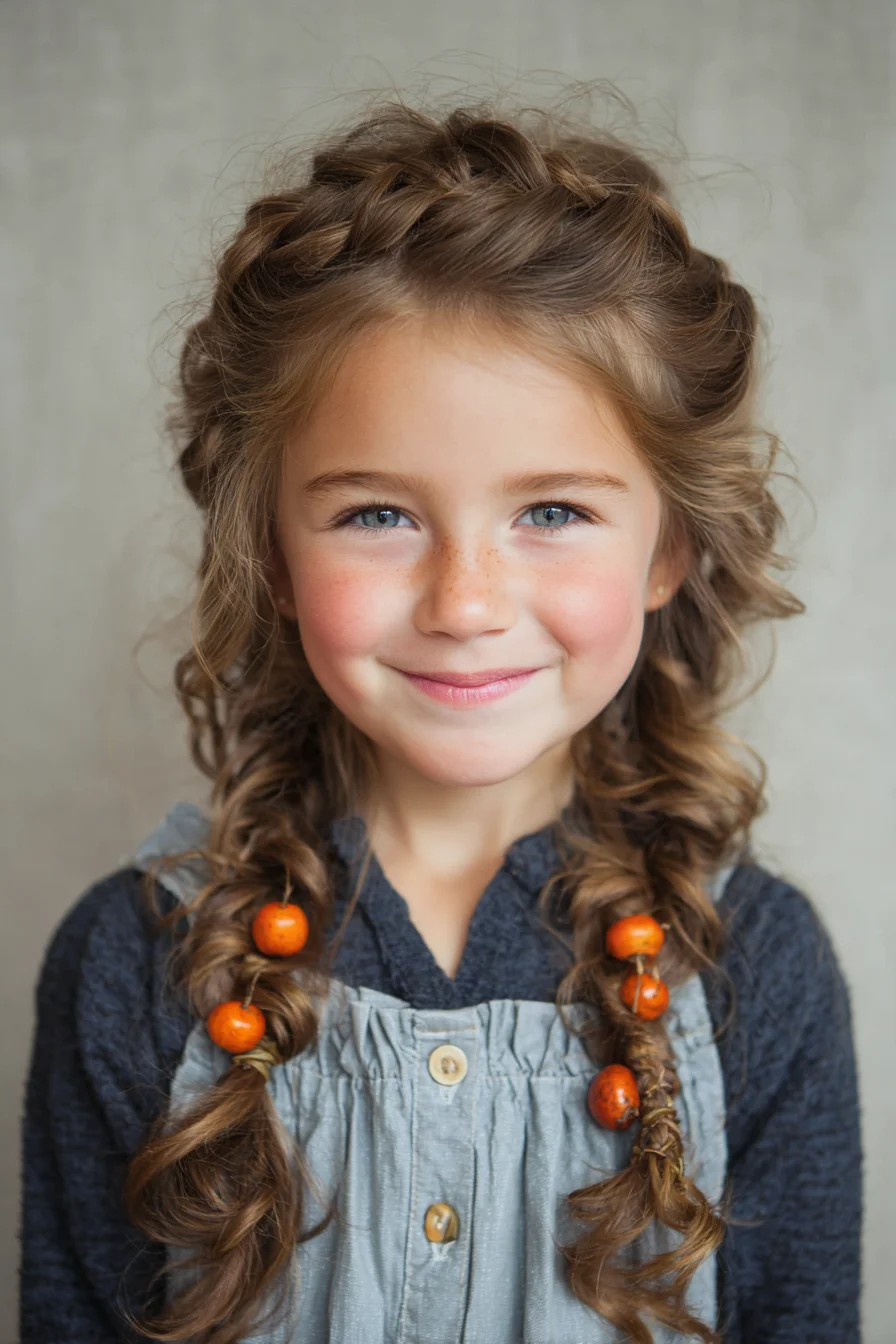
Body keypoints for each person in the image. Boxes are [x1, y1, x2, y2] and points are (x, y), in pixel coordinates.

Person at [19, 97, 862, 1344]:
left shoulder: (756, 971)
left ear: (668, 546)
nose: (465, 604)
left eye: (554, 512)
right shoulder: (131, 961)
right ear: (267, 545)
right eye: (375, 514)